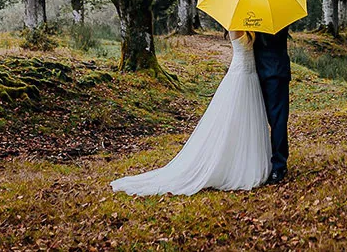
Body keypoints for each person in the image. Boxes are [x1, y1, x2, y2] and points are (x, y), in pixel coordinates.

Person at [110, 31, 270, 196]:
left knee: (247, 120)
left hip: (252, 75)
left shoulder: (248, 24)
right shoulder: (235, 25)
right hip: (240, 75)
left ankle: (244, 160)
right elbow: (243, 45)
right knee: (234, 118)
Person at [253, 28, 290, 184]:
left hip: (266, 72)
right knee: (277, 119)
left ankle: (278, 164)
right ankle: (277, 165)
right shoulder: (278, 15)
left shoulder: (250, 17)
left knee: (277, 120)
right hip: (261, 72)